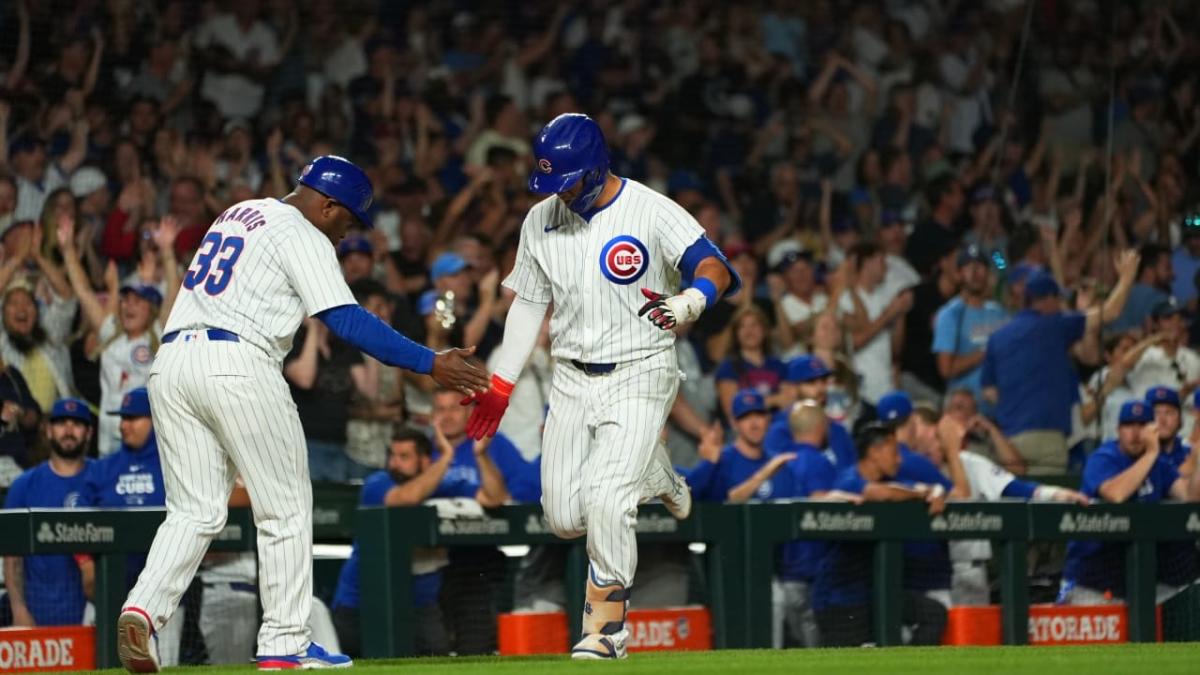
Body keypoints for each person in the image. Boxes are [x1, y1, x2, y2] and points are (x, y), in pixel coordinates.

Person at [116, 155, 489, 673]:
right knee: (286, 508)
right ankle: (285, 642)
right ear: (329, 204)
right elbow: (348, 320)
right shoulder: (303, 231)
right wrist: (431, 362)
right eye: (349, 221)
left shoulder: (240, 212)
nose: (346, 234)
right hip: (238, 362)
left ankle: (143, 610)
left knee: (194, 512)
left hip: (172, 362)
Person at [462, 113, 740, 660]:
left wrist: (691, 300)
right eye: (549, 181)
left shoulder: (650, 208)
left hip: (641, 369)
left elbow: (715, 266)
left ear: (595, 168)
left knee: (609, 500)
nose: (557, 191)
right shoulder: (541, 218)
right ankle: (657, 472)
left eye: (565, 179)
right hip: (569, 377)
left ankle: (607, 628)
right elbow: (528, 305)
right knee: (564, 517)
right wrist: (502, 384)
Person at [906, 405, 1087, 605]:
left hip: (968, 571)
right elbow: (959, 497)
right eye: (921, 441)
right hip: (924, 572)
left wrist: (1058, 493)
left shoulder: (970, 463)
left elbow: (1016, 489)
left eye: (935, 438)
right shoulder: (910, 470)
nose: (930, 445)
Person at [982, 253, 1138, 475]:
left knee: (1013, 506)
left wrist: (1017, 402)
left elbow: (989, 391)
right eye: (1057, 300)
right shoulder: (1055, 325)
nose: (1059, 306)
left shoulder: (997, 336)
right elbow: (1110, 312)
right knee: (1047, 506)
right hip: (1047, 437)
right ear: (1047, 300)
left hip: (1008, 438)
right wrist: (1127, 277)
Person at [811, 422, 948, 647]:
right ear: (874, 452)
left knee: (933, 615)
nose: (899, 459)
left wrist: (936, 491)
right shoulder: (848, 479)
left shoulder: (890, 481)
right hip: (839, 595)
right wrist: (919, 494)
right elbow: (881, 494)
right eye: (894, 452)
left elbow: (928, 488)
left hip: (875, 592)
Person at [331, 426, 458, 658]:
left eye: (405, 457)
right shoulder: (377, 483)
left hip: (421, 603)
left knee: (438, 657)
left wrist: (479, 455)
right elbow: (406, 498)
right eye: (393, 455)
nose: (395, 463)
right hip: (364, 602)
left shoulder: (442, 486)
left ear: (425, 461)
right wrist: (447, 458)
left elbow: (492, 497)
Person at [59, 215, 179, 455]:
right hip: (108, 441)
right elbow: (83, 292)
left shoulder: (157, 334)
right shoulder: (111, 333)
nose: (128, 306)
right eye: (125, 301)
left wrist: (167, 252)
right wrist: (68, 250)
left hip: (150, 440)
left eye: (137, 302)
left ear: (151, 309)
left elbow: (173, 294)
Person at [1061, 400, 1200, 605]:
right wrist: (1152, 452)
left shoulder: (1158, 465)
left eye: (1142, 426)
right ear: (1118, 430)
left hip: (1133, 580)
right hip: (1090, 580)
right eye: (1129, 426)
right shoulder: (1105, 457)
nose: (1136, 433)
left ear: (1152, 430)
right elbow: (1117, 494)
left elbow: (1190, 496)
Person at [81, 387, 184, 665]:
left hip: (165, 598)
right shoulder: (104, 468)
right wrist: (85, 564)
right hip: (106, 591)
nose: (124, 425)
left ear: (155, 419)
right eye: (122, 418)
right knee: (99, 665)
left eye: (134, 418)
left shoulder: (174, 465)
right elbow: (76, 519)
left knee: (165, 666)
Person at [2, 398, 95, 627]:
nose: (69, 430)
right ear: (48, 431)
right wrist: (19, 610)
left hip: (91, 614)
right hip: (36, 612)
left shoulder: (102, 478)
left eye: (77, 423)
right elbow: (12, 557)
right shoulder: (24, 485)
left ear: (89, 432)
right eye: (62, 423)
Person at [839, 242, 912, 413]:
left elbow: (895, 349)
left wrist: (900, 314)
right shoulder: (845, 298)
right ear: (864, 263)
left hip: (885, 385)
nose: (885, 266)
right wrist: (888, 315)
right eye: (880, 260)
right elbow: (853, 343)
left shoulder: (883, 297)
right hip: (861, 389)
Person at [686, 389, 796, 503]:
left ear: (767, 419)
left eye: (759, 415)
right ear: (734, 423)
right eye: (746, 417)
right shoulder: (720, 462)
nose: (754, 424)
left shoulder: (780, 466)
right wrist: (764, 474)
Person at [932, 246, 1008, 402]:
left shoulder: (999, 312)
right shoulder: (950, 314)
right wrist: (986, 353)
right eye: (968, 267)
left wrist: (995, 251)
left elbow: (1003, 266)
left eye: (980, 266)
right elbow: (946, 369)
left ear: (988, 273)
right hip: (965, 408)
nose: (975, 272)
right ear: (959, 274)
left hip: (1000, 406)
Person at [764, 355, 856, 469]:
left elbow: (851, 472)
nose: (820, 388)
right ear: (792, 389)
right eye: (810, 382)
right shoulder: (779, 432)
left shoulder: (838, 430)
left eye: (824, 380)